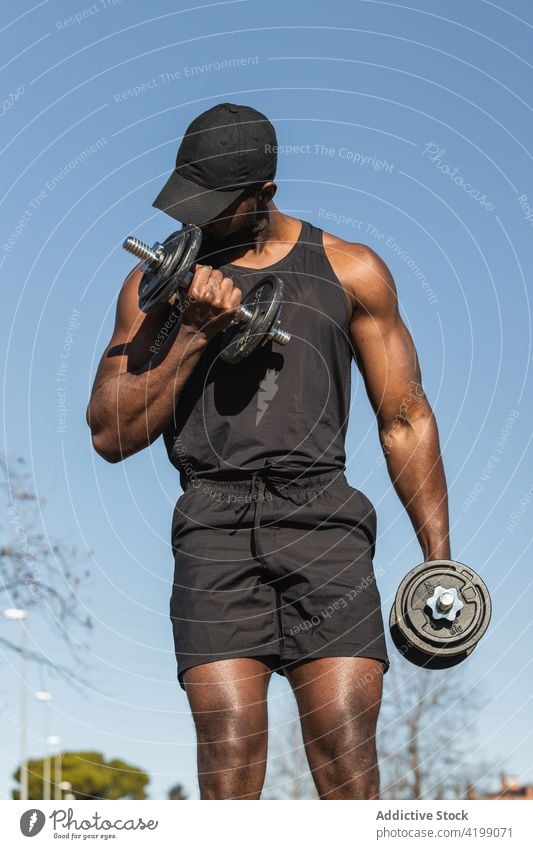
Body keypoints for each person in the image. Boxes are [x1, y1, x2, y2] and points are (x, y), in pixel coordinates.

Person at [86, 102, 450, 800]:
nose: (200, 219)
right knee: (227, 755)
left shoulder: (350, 270)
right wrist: (191, 330)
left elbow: (404, 416)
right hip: (212, 525)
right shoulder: (154, 286)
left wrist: (438, 561)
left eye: (217, 206)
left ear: (265, 196)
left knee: (346, 751)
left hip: (324, 518)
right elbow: (109, 433)